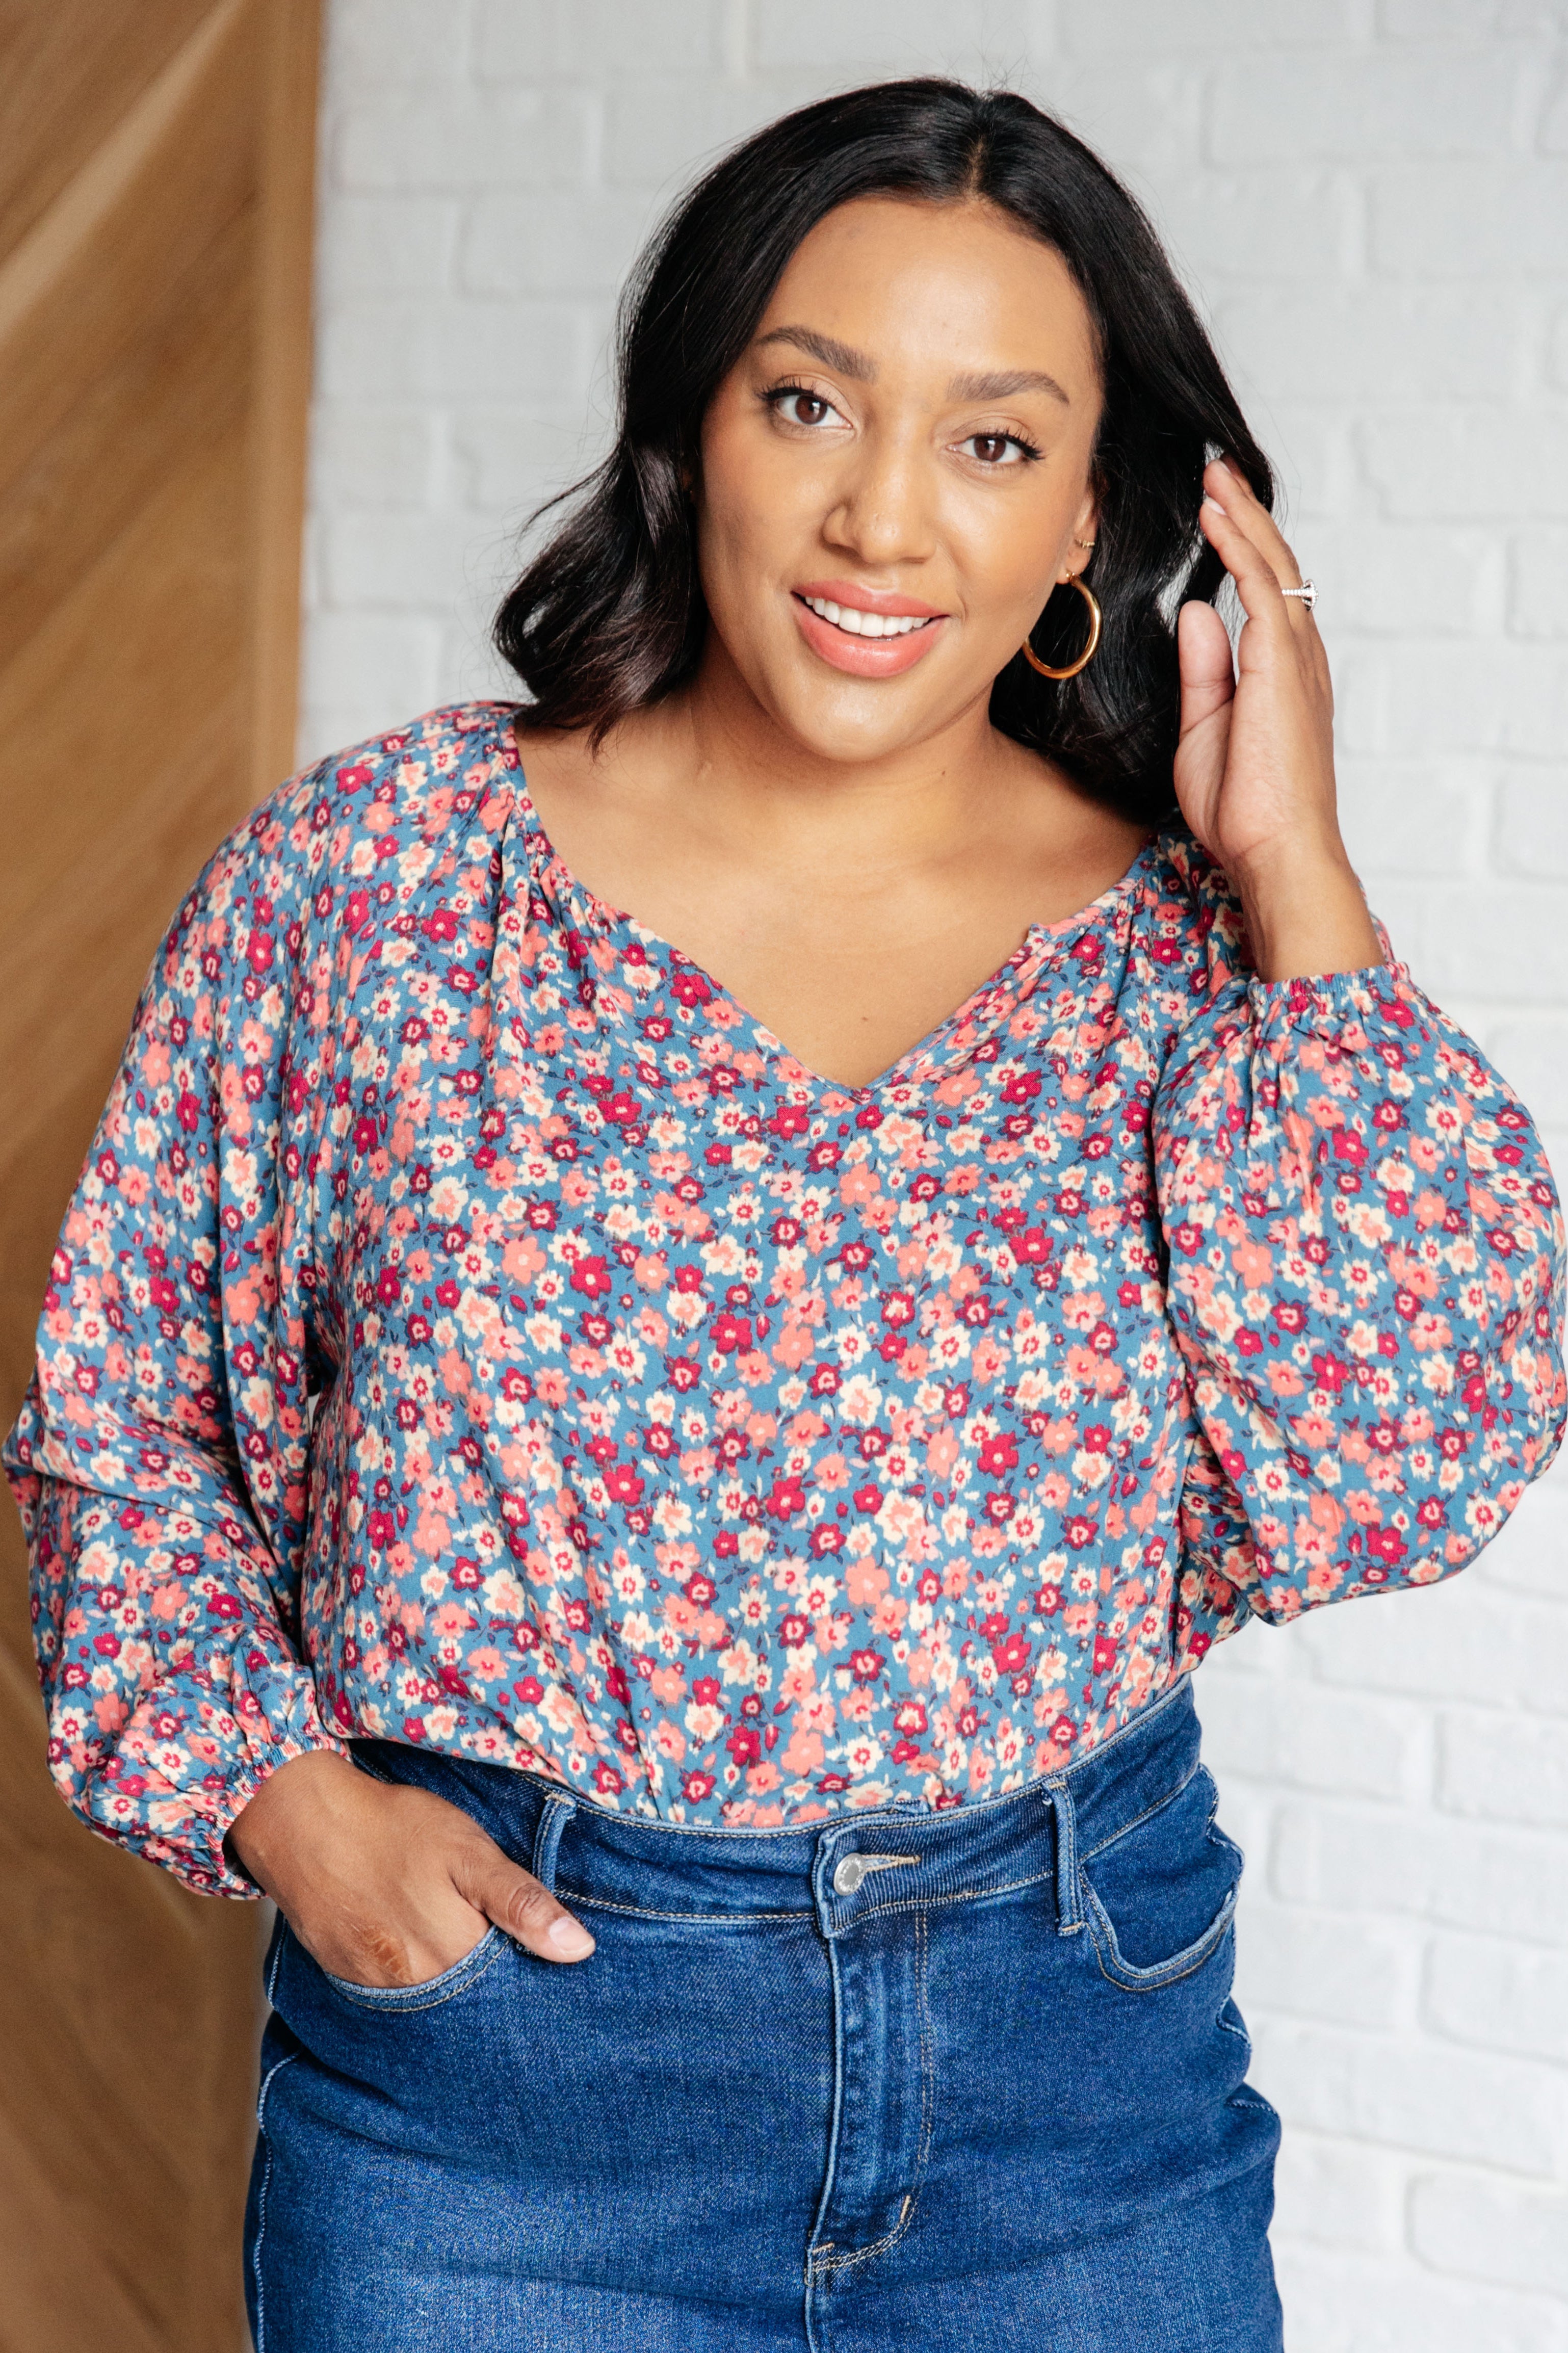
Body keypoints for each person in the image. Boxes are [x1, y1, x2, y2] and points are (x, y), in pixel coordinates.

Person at [6, 78, 1562, 2353]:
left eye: (994, 442)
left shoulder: (1192, 965)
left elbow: (1414, 1450)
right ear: (691, 427)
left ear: (1101, 531)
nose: (879, 518)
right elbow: (120, 1415)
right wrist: (279, 1799)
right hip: (496, 2102)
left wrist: (1296, 867)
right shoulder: (380, 880)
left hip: (1073, 2084)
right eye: (809, 399)